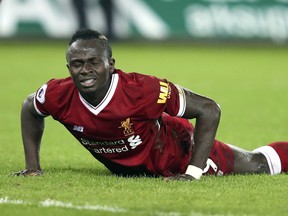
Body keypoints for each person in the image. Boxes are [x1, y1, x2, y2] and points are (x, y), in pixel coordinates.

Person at [14, 28, 288, 181]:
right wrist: (33, 165)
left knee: (257, 164)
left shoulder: (143, 90)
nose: (85, 70)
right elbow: (30, 107)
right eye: (77, 64)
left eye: (93, 62)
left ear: (110, 65)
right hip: (139, 166)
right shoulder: (57, 94)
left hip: (177, 151)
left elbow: (209, 108)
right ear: (68, 68)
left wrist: (193, 173)